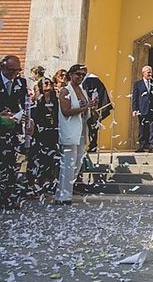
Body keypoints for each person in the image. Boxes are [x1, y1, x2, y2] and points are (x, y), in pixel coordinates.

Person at [54, 64, 95, 205]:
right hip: (70, 130)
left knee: (77, 163)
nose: (80, 77)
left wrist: (90, 106)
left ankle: (64, 192)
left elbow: (84, 109)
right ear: (71, 75)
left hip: (81, 129)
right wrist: (84, 107)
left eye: (83, 75)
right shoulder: (65, 90)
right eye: (78, 74)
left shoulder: (82, 90)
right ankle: (64, 196)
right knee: (68, 164)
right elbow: (66, 111)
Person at [0, 55, 31, 210]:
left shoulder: (21, 82)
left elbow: (26, 104)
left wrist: (29, 121)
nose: (14, 74)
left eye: (17, 71)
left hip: (14, 129)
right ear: (3, 67)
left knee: (12, 164)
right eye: (11, 71)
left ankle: (9, 197)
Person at [26, 77, 59, 196]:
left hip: (52, 133)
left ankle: (46, 184)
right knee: (35, 159)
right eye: (45, 83)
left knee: (49, 159)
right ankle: (32, 185)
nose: (48, 85)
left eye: (50, 83)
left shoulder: (56, 100)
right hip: (38, 133)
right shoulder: (36, 100)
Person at [131, 65, 153, 153]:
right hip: (142, 109)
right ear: (143, 73)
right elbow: (135, 97)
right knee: (142, 128)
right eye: (148, 72)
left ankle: (151, 146)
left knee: (152, 128)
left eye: (151, 72)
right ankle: (141, 146)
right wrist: (134, 109)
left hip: (152, 109)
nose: (150, 74)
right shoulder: (138, 84)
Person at [82, 72, 112, 152]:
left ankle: (92, 144)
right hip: (89, 109)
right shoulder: (88, 81)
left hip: (93, 109)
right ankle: (90, 144)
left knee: (93, 126)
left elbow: (99, 95)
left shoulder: (92, 80)